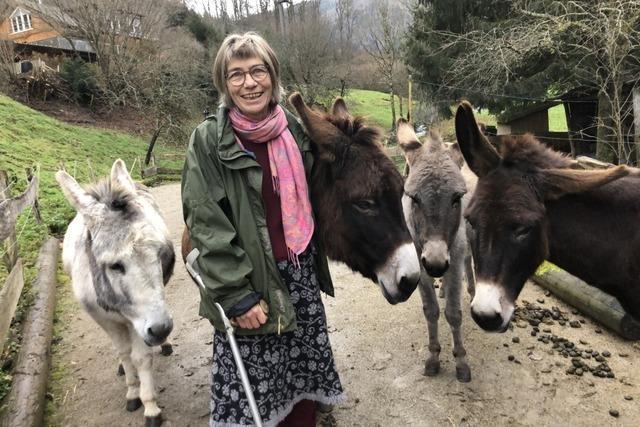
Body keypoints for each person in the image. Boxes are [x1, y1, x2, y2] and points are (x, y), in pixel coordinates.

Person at [181, 32, 345, 427]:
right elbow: (205, 220)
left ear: (272, 76)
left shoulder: (294, 129)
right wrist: (236, 295)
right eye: (236, 74)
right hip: (250, 281)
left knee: (302, 374)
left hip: (298, 273)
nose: (249, 82)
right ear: (224, 82)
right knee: (254, 390)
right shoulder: (208, 140)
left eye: (258, 70)